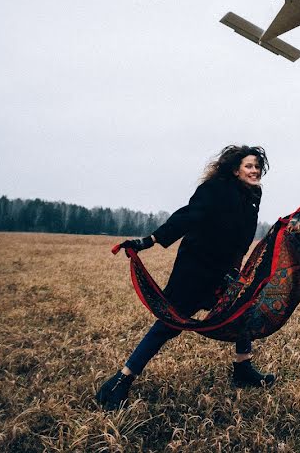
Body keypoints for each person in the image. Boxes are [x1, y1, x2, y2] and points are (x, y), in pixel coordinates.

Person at [96, 145, 276, 411]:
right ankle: (120, 380)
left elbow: (243, 235)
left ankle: (243, 368)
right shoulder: (215, 189)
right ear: (235, 169)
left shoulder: (253, 194)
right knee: (169, 325)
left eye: (258, 167)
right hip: (197, 269)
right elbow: (187, 216)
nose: (255, 171)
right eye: (249, 166)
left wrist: (237, 266)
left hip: (224, 269)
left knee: (242, 311)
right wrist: (151, 240)